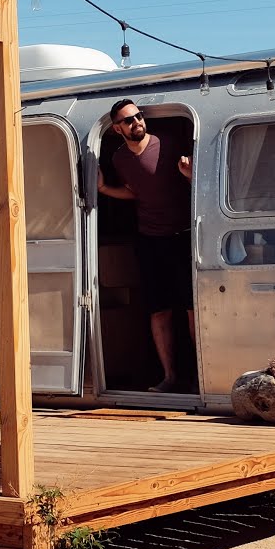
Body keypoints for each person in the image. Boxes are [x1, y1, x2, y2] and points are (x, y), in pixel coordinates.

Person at [97, 98, 195, 393]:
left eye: (139, 116)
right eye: (129, 120)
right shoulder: (119, 159)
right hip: (151, 240)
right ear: (117, 128)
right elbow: (134, 192)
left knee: (193, 309)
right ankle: (169, 377)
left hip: (185, 235)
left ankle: (201, 377)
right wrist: (103, 189)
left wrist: (191, 176)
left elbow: (202, 182)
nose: (137, 121)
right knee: (159, 310)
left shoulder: (170, 143)